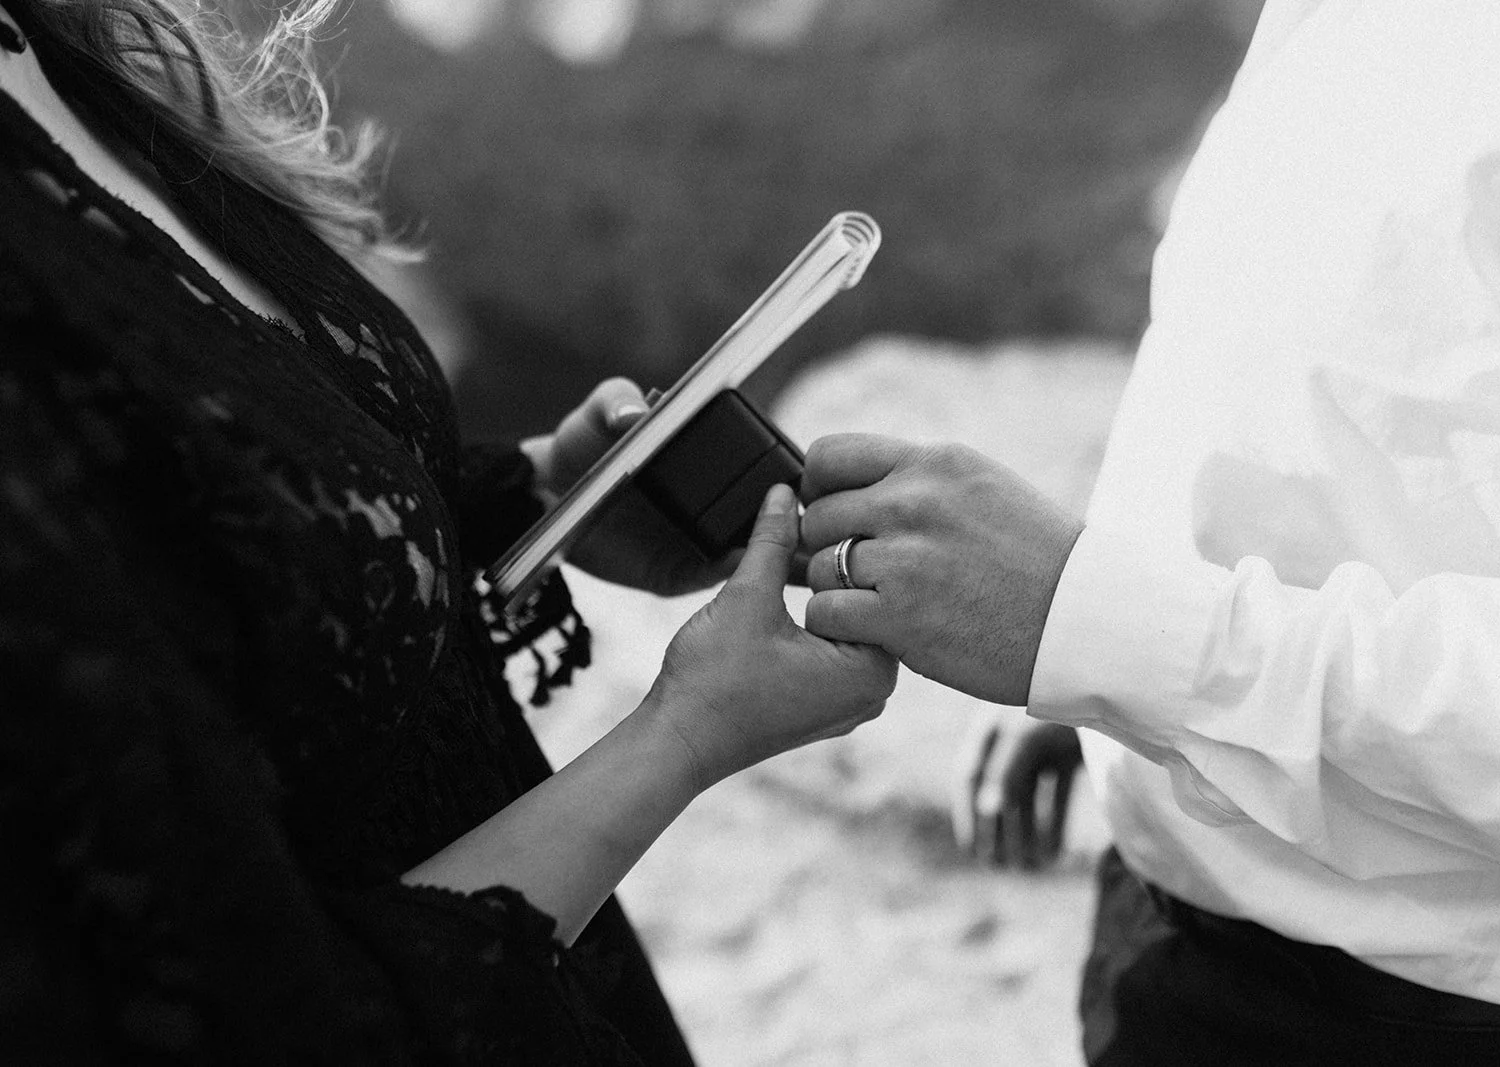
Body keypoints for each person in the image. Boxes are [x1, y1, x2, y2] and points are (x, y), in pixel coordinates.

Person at [0, 2, 897, 1062]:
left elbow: (199, 540)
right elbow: (260, 1018)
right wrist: (689, 729)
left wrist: (520, 494)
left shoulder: (60, 37)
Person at [798, 1, 1500, 1063]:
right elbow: (1326, 393)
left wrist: (1115, 631)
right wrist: (1109, 687)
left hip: (1417, 1007)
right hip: (1177, 906)